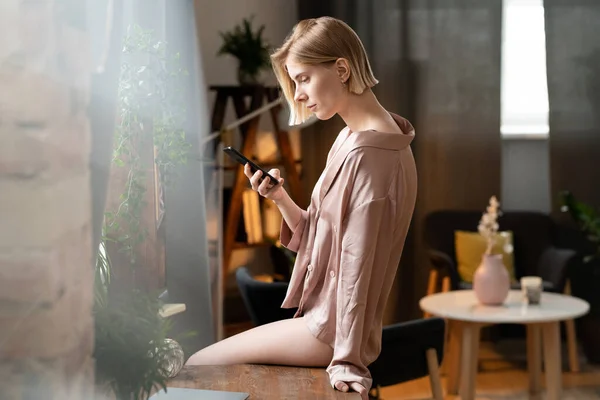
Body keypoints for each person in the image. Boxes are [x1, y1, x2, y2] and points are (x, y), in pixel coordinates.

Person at [186, 16, 417, 399]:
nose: (299, 94)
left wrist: (347, 361)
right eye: (294, 82)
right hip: (326, 324)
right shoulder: (355, 138)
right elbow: (324, 237)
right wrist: (280, 199)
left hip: (330, 333)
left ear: (341, 68)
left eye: (304, 78)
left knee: (197, 365)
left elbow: (356, 268)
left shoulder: (371, 156)